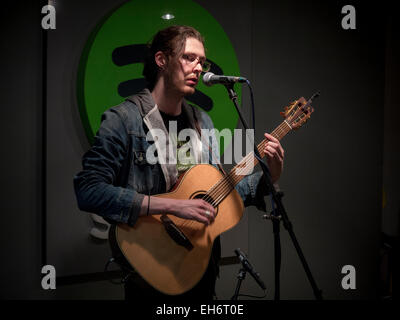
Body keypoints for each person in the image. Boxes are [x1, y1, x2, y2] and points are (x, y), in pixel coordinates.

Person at [74, 25, 284, 301]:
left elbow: (222, 194)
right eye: (189, 57)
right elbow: (89, 190)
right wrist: (173, 205)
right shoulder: (123, 120)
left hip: (201, 269)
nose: (198, 67)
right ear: (161, 60)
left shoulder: (202, 123)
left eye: (202, 61)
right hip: (152, 271)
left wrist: (272, 172)